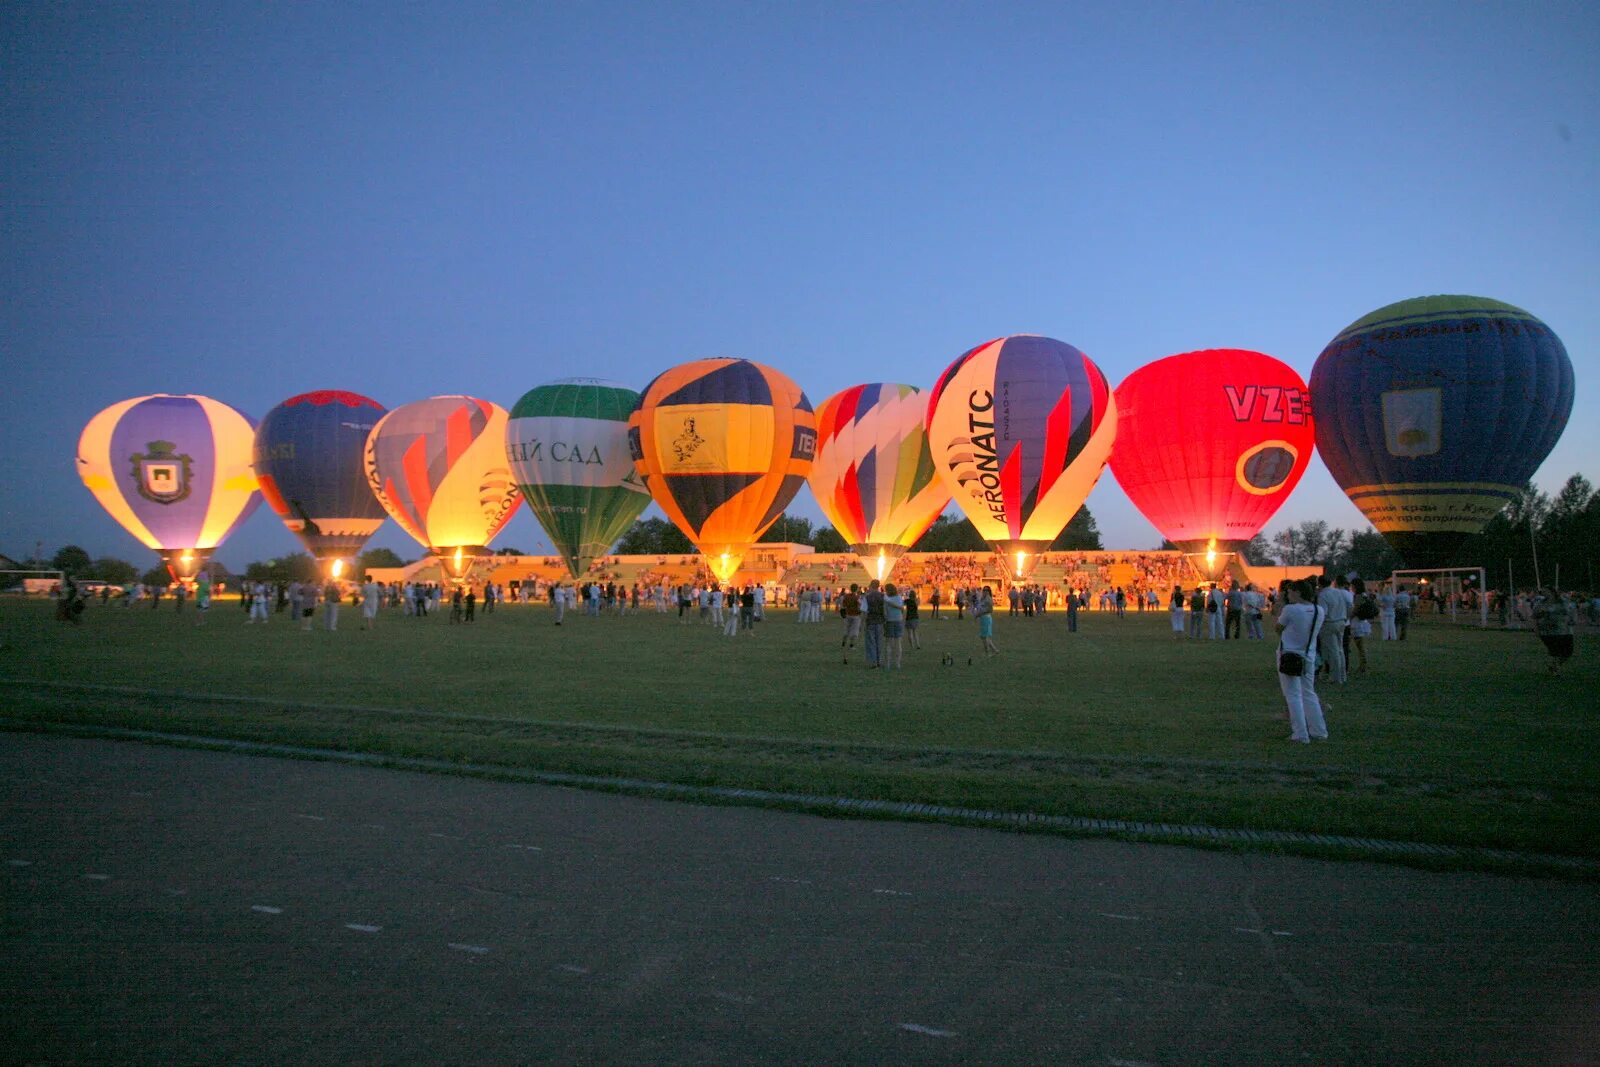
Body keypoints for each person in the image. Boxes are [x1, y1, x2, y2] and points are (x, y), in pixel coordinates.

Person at [1276, 579, 1328, 744]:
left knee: (1292, 694)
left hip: (1289, 654)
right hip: (1308, 655)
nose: (1288, 595)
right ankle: (1319, 730)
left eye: (1290, 592)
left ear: (1297, 592)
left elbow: (1278, 627)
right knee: (1308, 693)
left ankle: (1300, 733)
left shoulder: (1290, 610)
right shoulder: (1318, 610)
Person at [1315, 575, 1350, 685]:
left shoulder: (1323, 595)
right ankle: (1342, 675)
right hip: (1341, 621)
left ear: (1319, 584)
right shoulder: (1338, 592)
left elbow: (1323, 613)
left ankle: (1335, 677)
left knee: (1332, 651)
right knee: (1340, 650)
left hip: (1329, 623)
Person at [1533, 589, 1576, 675]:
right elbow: (1535, 617)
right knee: (1555, 651)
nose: (1544, 593)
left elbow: (1571, 612)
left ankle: (1554, 666)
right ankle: (1555, 669)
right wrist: (1536, 629)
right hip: (1548, 631)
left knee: (1568, 652)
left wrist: (1573, 620)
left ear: (1553, 592)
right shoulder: (1541, 604)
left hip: (1565, 630)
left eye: (1546, 591)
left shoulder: (1563, 602)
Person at [1349, 578, 1375, 674]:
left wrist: (1348, 618)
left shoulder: (1358, 596)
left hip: (1357, 622)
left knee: (1360, 646)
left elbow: (1355, 610)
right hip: (1363, 622)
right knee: (1361, 646)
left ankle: (1363, 666)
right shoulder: (1364, 595)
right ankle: (1363, 665)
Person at [862, 579, 886, 669]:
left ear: (871, 586)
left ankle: (873, 662)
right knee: (879, 642)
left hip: (870, 621)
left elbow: (864, 612)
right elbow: (885, 610)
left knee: (871, 642)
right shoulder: (883, 596)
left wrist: (862, 624)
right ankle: (879, 660)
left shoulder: (867, 597)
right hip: (880, 621)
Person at [882, 583, 905, 670]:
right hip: (898, 620)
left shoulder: (886, 599)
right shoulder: (899, 598)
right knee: (898, 643)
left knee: (888, 643)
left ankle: (887, 664)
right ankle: (898, 663)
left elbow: (884, 612)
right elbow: (902, 610)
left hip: (889, 621)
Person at [838, 583, 862, 663]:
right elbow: (859, 606)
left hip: (848, 615)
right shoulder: (857, 597)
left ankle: (844, 642)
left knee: (846, 630)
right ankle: (851, 645)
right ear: (857, 589)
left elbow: (843, 605)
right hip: (855, 615)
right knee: (854, 632)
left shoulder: (846, 596)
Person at [975, 586, 999, 657]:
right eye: (983, 590)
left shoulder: (988, 599)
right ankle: (994, 650)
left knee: (984, 637)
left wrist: (980, 613)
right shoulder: (984, 598)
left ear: (988, 591)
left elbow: (990, 610)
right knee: (984, 637)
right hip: (983, 618)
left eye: (986, 590)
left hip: (986, 618)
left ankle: (988, 653)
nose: (984, 592)